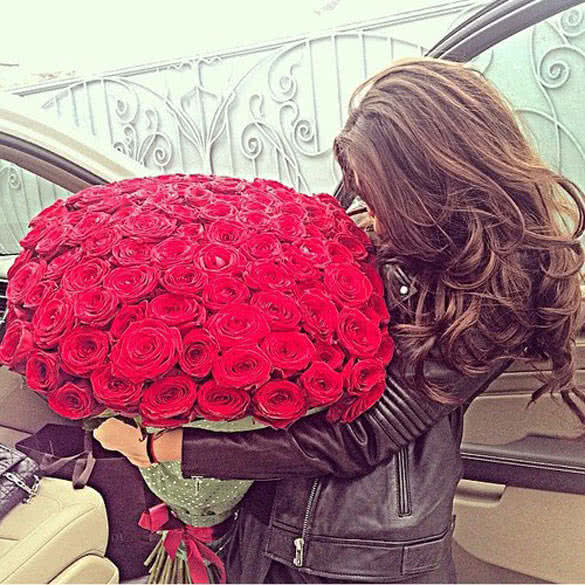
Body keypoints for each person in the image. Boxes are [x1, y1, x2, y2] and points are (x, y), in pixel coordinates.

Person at [95, 57, 585, 583]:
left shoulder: (497, 290)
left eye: (382, 200)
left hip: (363, 559)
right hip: (275, 528)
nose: (370, 217)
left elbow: (357, 439)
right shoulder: (376, 239)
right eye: (365, 199)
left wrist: (160, 448)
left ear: (436, 185)